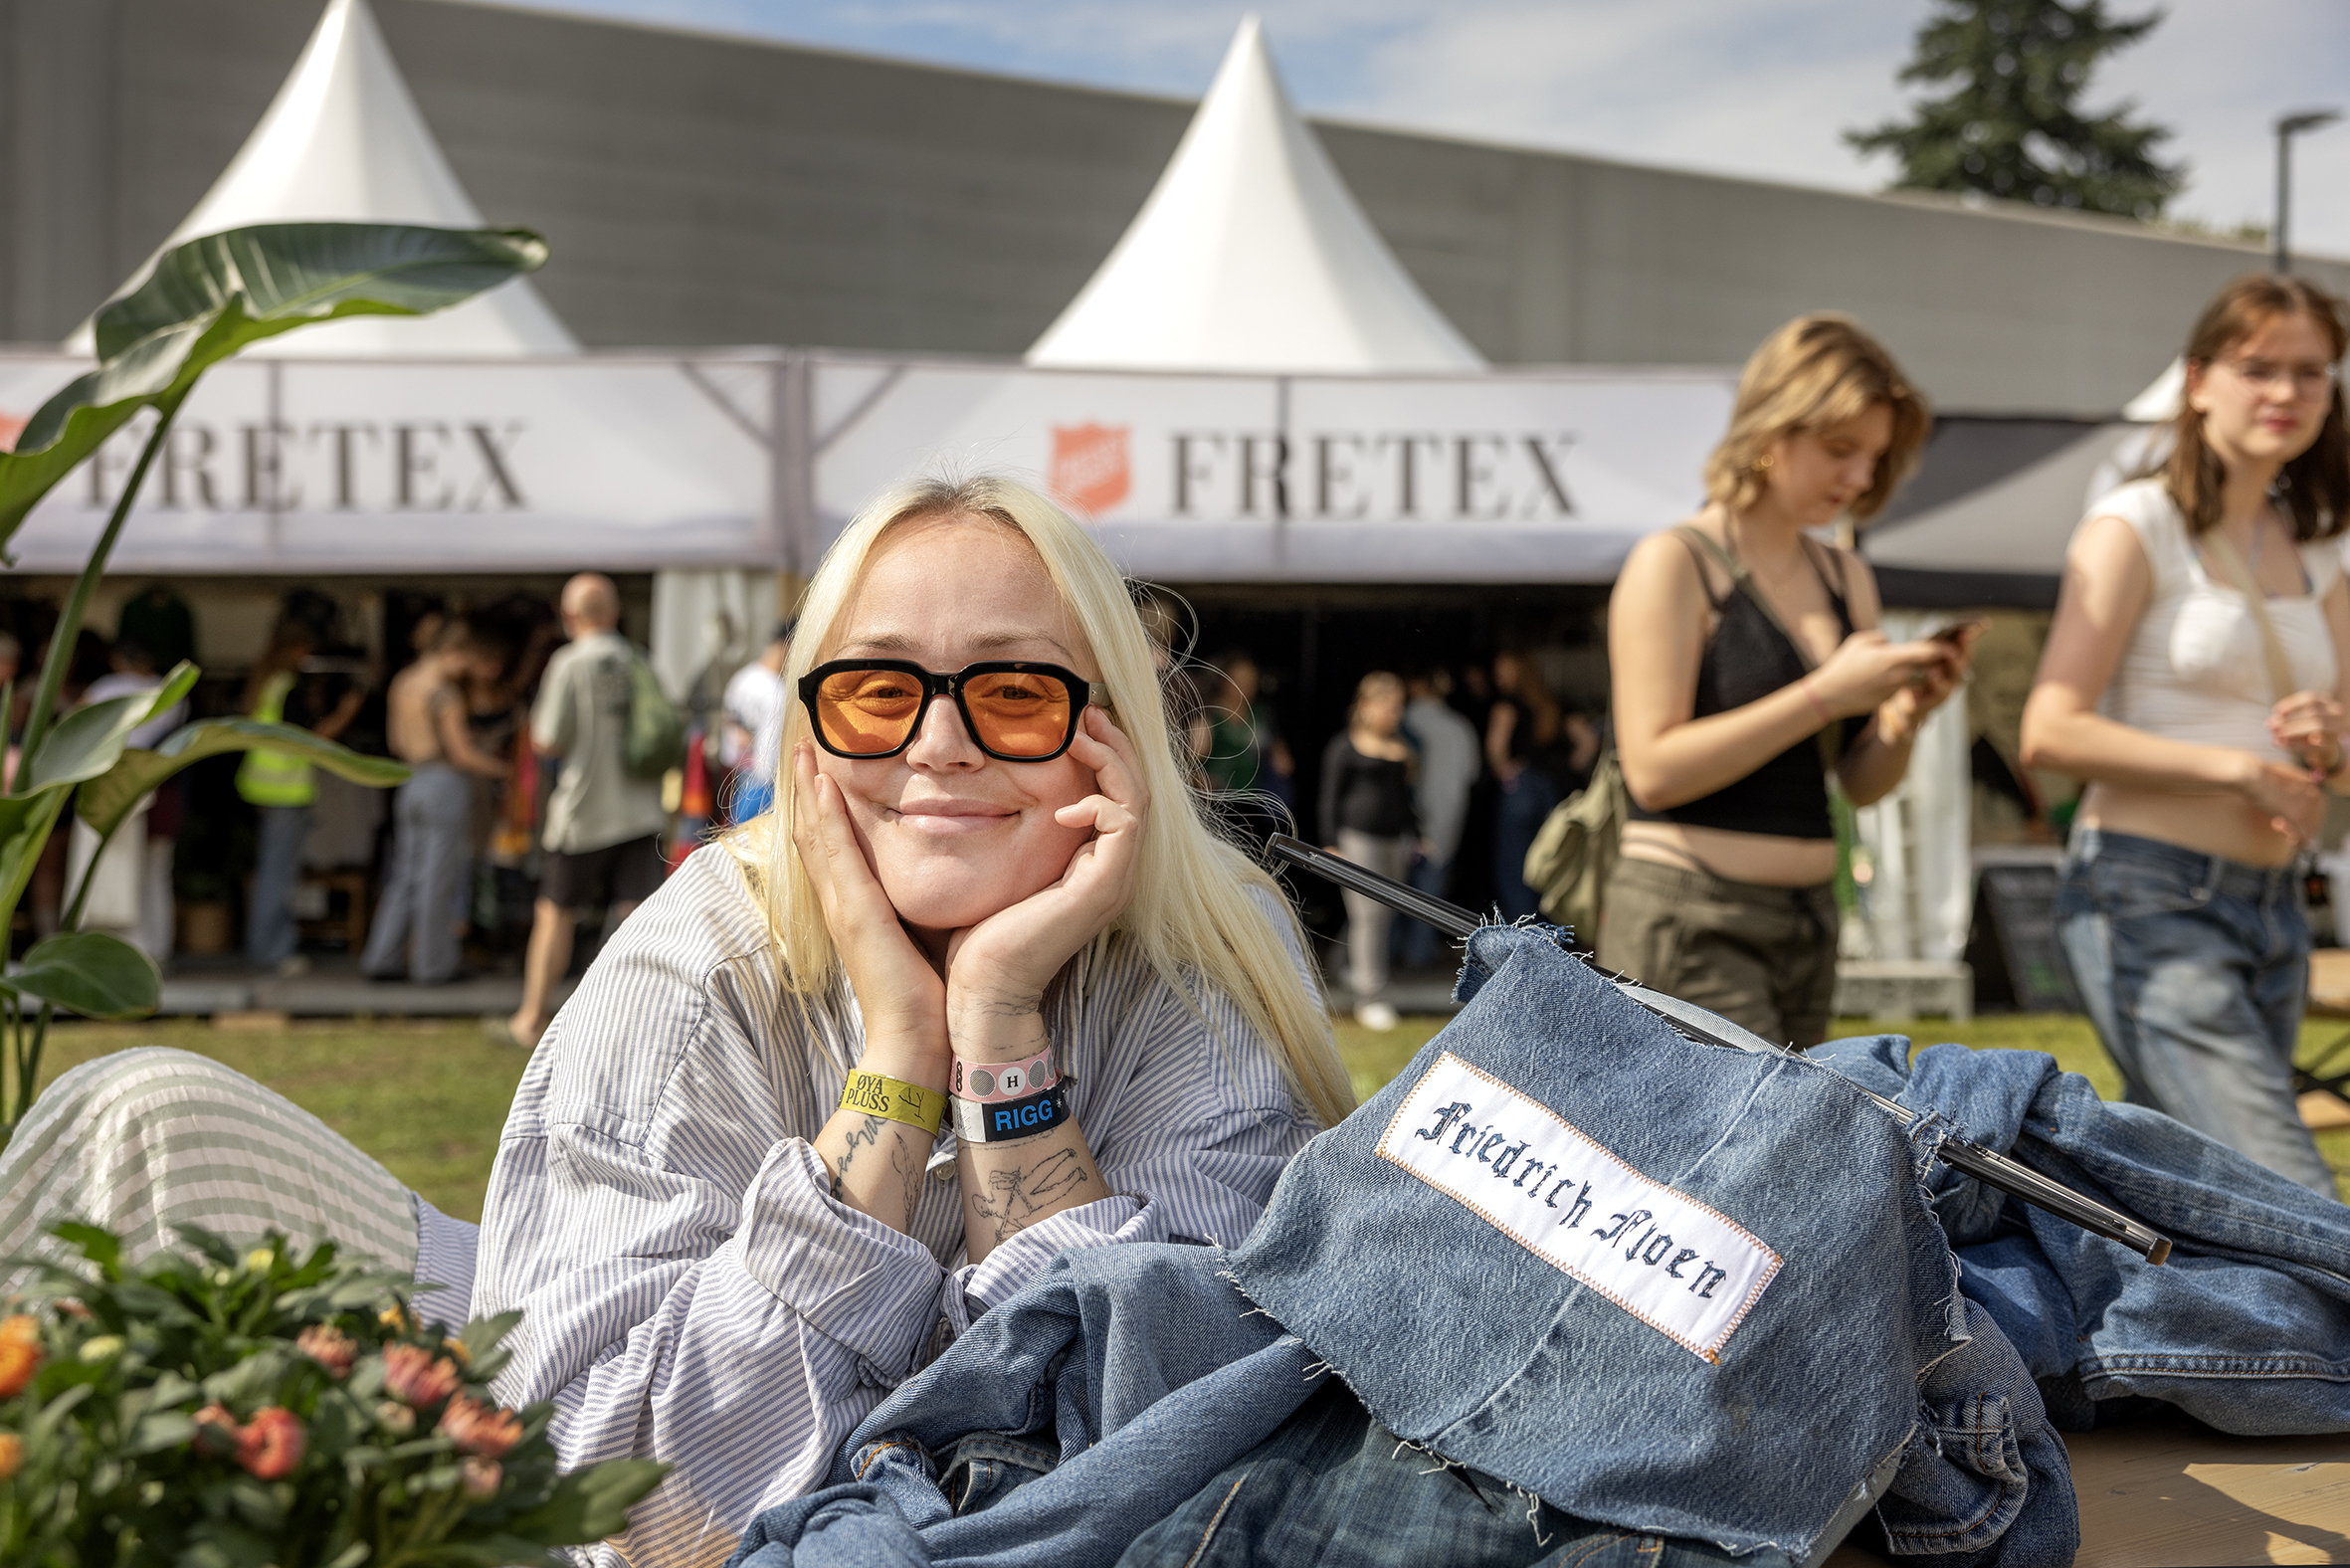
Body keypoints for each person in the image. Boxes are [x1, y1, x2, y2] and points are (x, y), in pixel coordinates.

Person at [0, 474, 1350, 1567]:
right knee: (140, 1123)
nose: (938, 744)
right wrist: (896, 1063)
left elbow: (1143, 1456)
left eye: (1011, 692)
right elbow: (619, 1512)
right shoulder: (701, 952)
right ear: (811, 739)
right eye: (880, 692)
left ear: (1104, 734)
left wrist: (995, 1029)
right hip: (559, 1400)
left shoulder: (1203, 964)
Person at [2022, 275, 2350, 1195]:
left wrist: (2330, 741)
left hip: (2277, 905)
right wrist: (2240, 774)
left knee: (2180, 1204)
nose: (2285, 393)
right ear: (2199, 380)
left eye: (2312, 373)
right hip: (2149, 893)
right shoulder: (2137, 523)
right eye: (2259, 369)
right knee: (2287, 1193)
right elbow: (2048, 730)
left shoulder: (2321, 545)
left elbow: (2346, 757)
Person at [1603, 314, 1969, 1050]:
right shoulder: (1674, 563)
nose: (1861, 478)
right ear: (1772, 429)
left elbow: (1859, 784)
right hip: (1693, 916)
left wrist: (1902, 717)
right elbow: (1654, 770)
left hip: (1809, 921)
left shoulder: (1845, 576)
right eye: (1841, 451)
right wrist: (1826, 694)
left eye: (1874, 456)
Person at [502, 574, 669, 1049]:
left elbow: (547, 738)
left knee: (555, 912)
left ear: (569, 616)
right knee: (636, 916)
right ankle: (634, 1022)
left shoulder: (568, 663)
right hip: (640, 810)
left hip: (583, 811)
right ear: (613, 613)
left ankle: (531, 1018)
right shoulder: (639, 658)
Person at [361, 621, 509, 984]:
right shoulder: (444, 694)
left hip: (408, 781)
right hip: (443, 784)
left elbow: (396, 743)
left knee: (405, 875)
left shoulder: (403, 683)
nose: (466, 670)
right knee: (438, 879)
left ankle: (382, 959)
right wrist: (502, 769)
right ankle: (434, 966)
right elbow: (462, 756)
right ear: (450, 653)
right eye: (466, 661)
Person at [238, 620, 364, 977]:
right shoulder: (287, 688)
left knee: (270, 872)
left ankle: (268, 946)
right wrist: (346, 712)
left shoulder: (266, 685)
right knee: (278, 875)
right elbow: (312, 737)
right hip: (285, 790)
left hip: (264, 786)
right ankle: (273, 951)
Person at [1320, 672, 1417, 1031]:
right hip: (1357, 838)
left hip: (1395, 840)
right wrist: (1331, 842)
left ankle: (1347, 965)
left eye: (1398, 709)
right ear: (1366, 706)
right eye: (1389, 708)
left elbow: (1404, 800)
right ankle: (1371, 996)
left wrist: (1417, 834)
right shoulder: (1344, 746)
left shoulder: (1400, 746)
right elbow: (1329, 797)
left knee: (1380, 915)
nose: (1395, 715)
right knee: (1369, 916)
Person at [1397, 668, 1479, 968]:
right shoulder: (1460, 727)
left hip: (1404, 815)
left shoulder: (1400, 720)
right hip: (1446, 815)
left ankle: (1387, 953)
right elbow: (1471, 774)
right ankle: (1419, 954)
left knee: (1387, 885)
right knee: (1430, 887)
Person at [1485, 651, 1565, 921]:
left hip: (1520, 786)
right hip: (1548, 788)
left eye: (1502, 671)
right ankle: (1549, 934)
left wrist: (1503, 770)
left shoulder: (1506, 706)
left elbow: (1496, 747)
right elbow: (1585, 743)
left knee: (1514, 866)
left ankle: (1523, 935)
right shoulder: (1547, 704)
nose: (1498, 677)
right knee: (1546, 862)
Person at [723, 620, 793, 821]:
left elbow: (729, 728)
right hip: (761, 784)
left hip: (735, 774)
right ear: (787, 646)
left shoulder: (741, 678)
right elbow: (770, 752)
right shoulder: (776, 691)